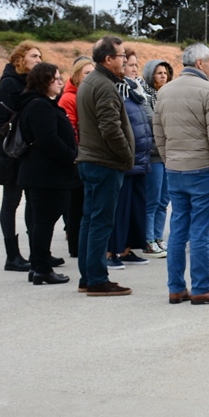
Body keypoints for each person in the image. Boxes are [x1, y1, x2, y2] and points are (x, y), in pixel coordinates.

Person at [153, 43, 209, 304]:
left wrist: (170, 161)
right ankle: (201, 287)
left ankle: (176, 287)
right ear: (200, 63)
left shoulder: (164, 92)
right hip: (203, 170)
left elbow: (159, 134)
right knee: (200, 232)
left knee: (178, 230)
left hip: (176, 169)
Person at [75, 36, 135, 297]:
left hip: (91, 160)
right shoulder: (104, 85)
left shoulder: (91, 82)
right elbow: (110, 128)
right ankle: (97, 279)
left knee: (90, 221)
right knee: (100, 223)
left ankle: (88, 277)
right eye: (121, 56)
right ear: (108, 59)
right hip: (104, 163)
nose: (125, 60)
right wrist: (126, 156)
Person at [16, 63, 77, 285]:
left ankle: (38, 265)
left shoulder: (39, 104)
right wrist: (72, 156)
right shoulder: (39, 106)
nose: (61, 82)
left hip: (42, 174)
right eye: (56, 79)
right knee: (43, 221)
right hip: (46, 175)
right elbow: (49, 140)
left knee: (40, 221)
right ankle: (41, 268)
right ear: (44, 82)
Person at [0, 41, 42, 272]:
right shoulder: (10, 83)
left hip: (27, 153)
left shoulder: (29, 83)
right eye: (34, 56)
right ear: (21, 59)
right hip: (11, 154)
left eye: (39, 56)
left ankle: (37, 252)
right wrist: (17, 134)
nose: (39, 60)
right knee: (10, 203)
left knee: (32, 201)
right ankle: (12, 256)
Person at [106, 49, 153, 270]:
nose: (134, 68)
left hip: (140, 159)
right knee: (120, 208)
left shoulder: (136, 91)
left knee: (135, 207)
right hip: (126, 160)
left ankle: (126, 248)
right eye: (129, 64)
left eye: (135, 64)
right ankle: (111, 251)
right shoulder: (118, 91)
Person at [58, 55, 93, 258]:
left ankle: (79, 243)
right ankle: (75, 246)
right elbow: (70, 130)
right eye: (87, 73)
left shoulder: (84, 95)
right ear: (77, 76)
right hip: (78, 156)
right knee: (76, 204)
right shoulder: (70, 98)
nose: (91, 77)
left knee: (82, 203)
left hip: (85, 155)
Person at [141, 59, 174, 258]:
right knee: (152, 200)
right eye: (158, 72)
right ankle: (148, 239)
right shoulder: (144, 96)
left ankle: (158, 237)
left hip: (169, 154)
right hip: (154, 154)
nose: (163, 76)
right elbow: (153, 123)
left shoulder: (170, 95)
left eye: (165, 73)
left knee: (163, 200)